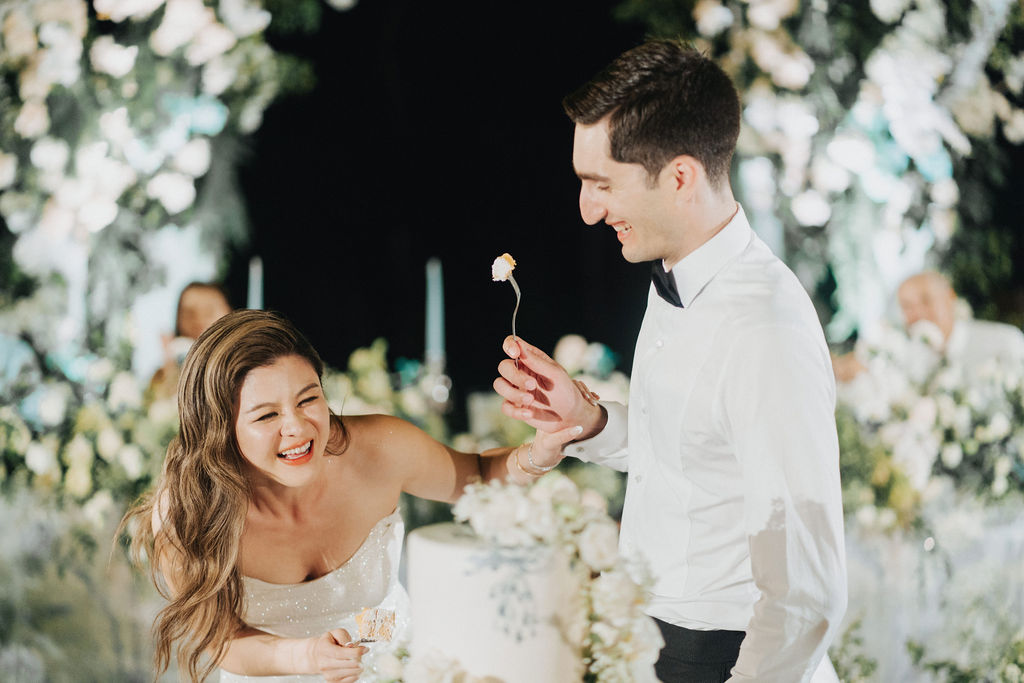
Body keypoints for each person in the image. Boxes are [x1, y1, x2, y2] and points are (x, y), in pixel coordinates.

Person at [493, 40, 847, 682]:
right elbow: (696, 457)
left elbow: (805, 595)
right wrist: (588, 420)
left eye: (602, 184)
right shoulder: (677, 273)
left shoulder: (764, 330)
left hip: (726, 657)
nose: (587, 211)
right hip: (654, 640)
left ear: (680, 177)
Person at [121, 309, 580, 683]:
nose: (297, 427)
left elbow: (476, 475)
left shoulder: (379, 449)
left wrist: (539, 453)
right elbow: (221, 641)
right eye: (266, 416)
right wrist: (307, 657)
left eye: (308, 399)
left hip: (392, 669)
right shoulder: (187, 513)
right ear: (219, 430)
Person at [834, 270, 1024, 382]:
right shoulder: (906, 361)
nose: (918, 314)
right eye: (907, 306)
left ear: (950, 297)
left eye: (926, 300)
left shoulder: (1005, 342)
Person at [147, 281, 234, 402]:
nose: (199, 319)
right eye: (189, 313)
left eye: (209, 311)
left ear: (230, 310)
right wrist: (169, 364)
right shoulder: (168, 366)